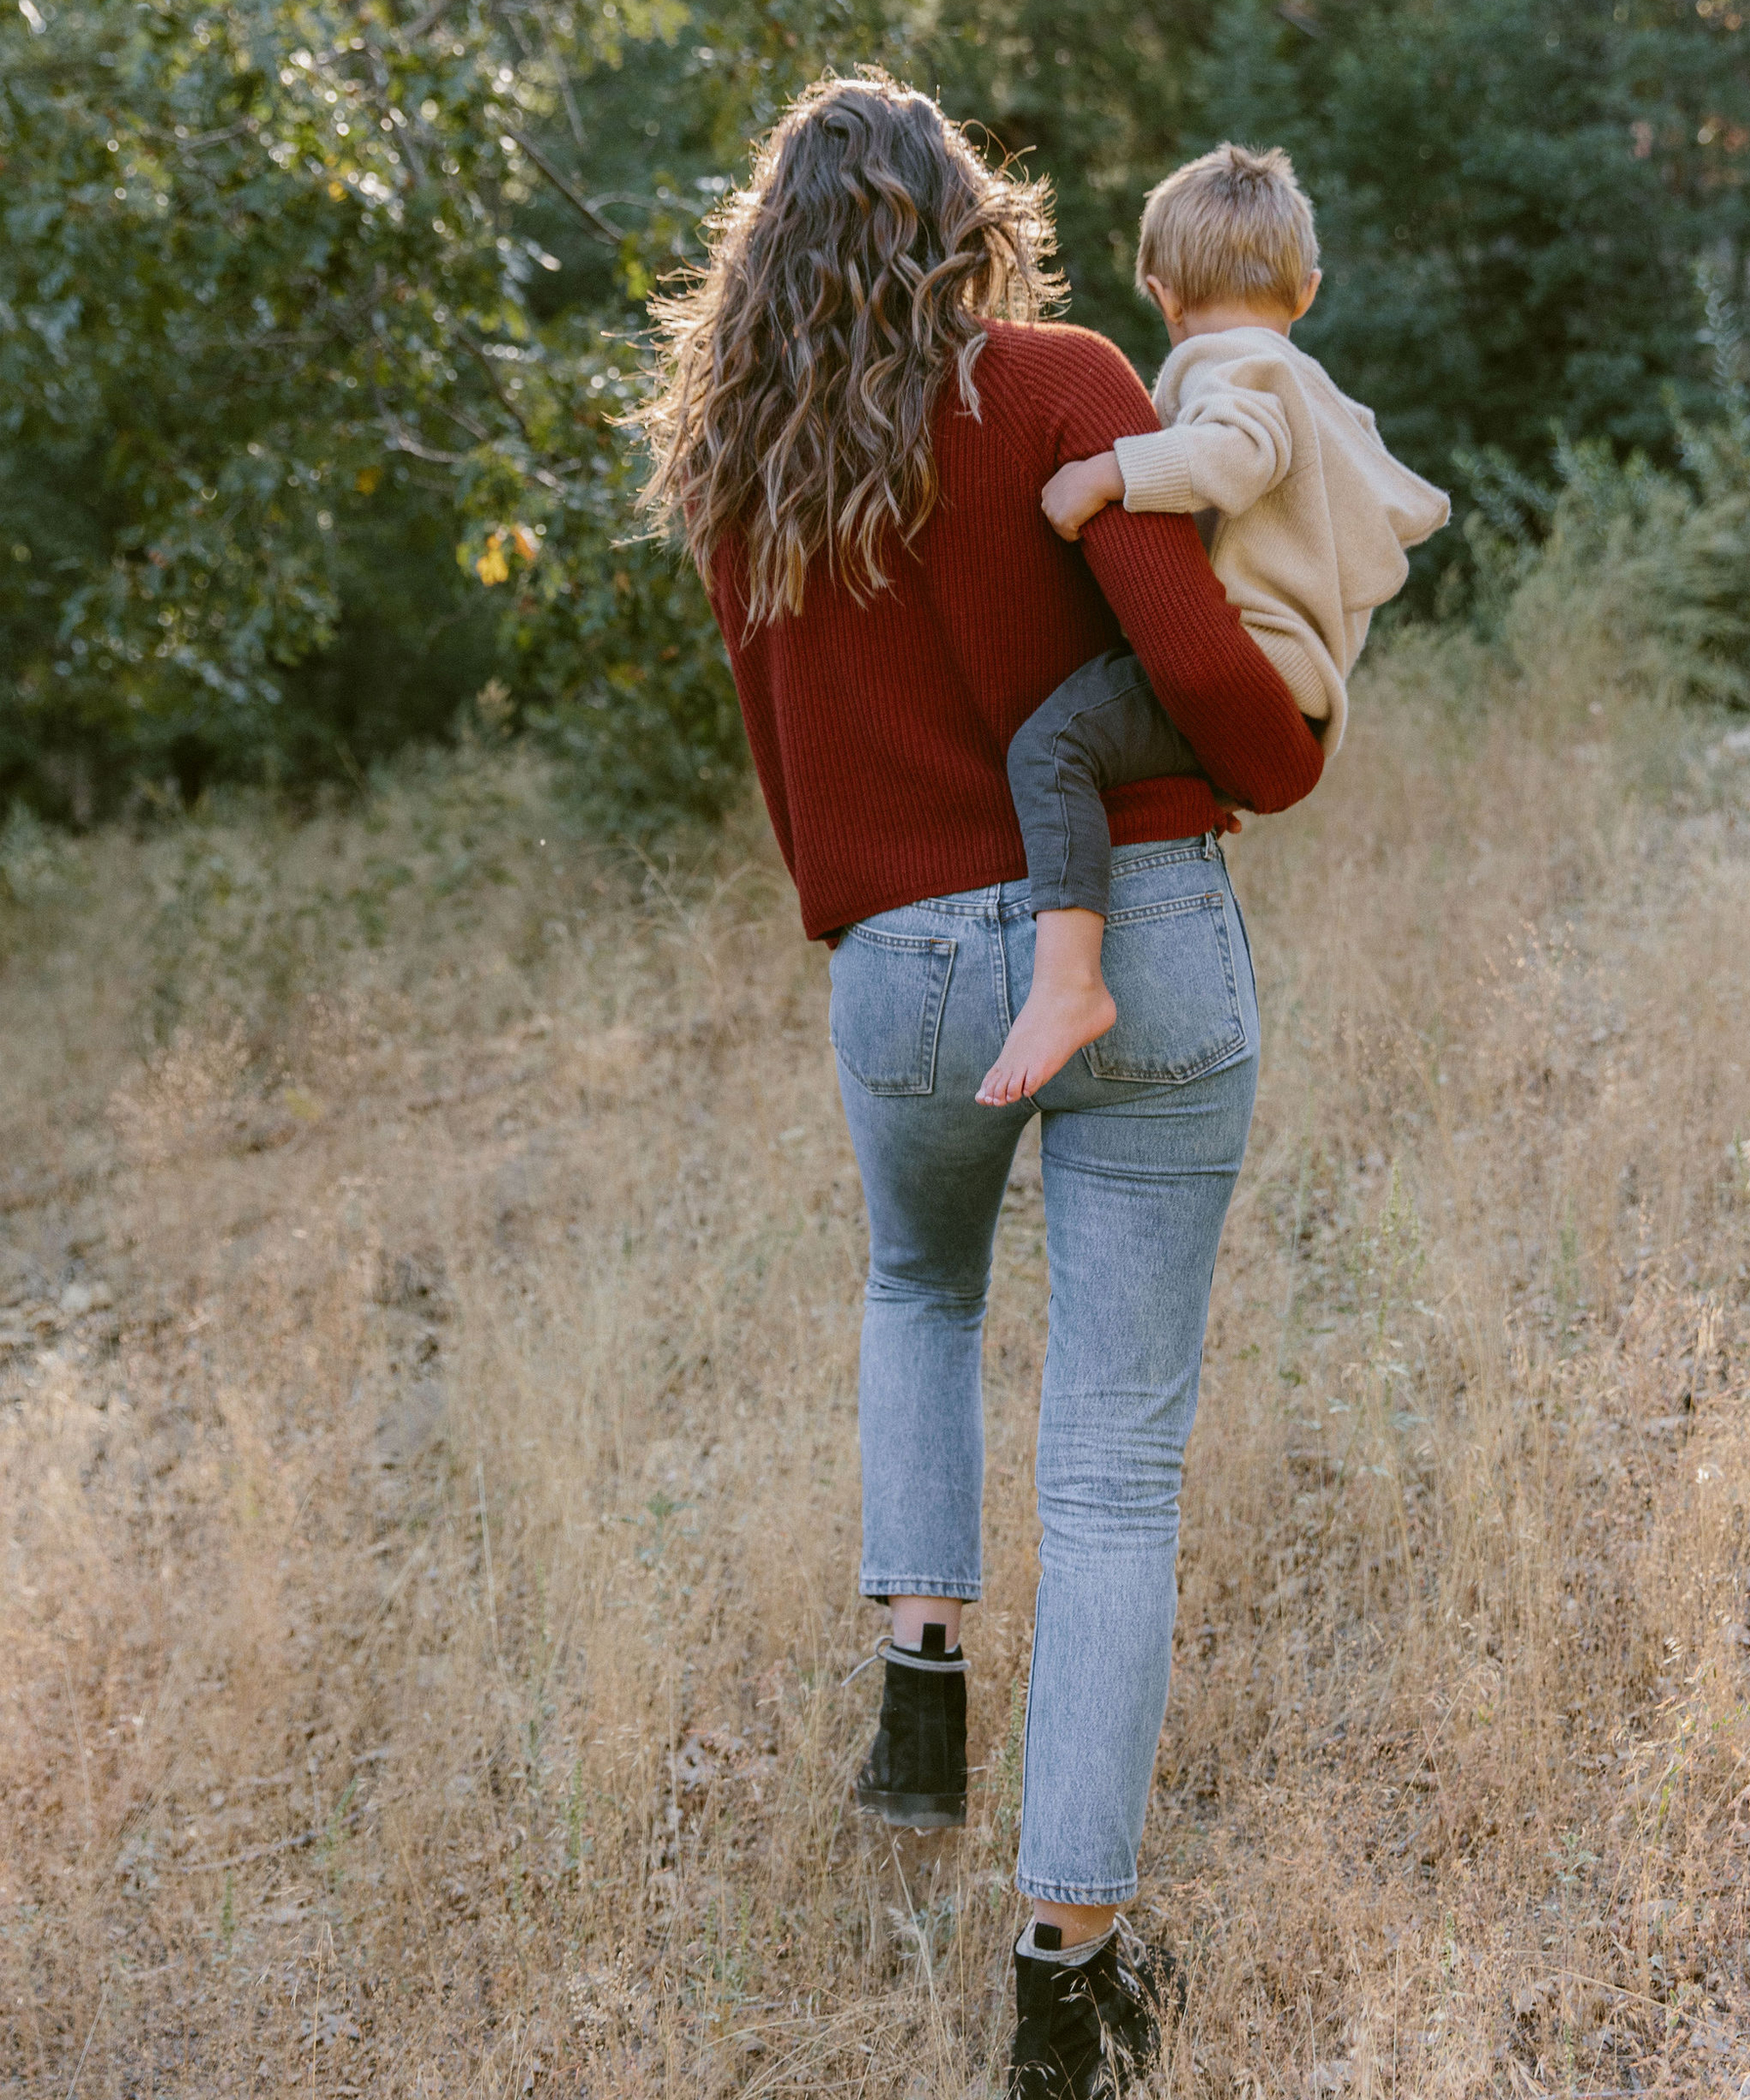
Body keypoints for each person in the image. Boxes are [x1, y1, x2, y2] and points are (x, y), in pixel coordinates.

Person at [642, 72, 1325, 2099]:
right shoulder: (1052, 378)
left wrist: (865, 925)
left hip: (897, 962)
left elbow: (788, 753)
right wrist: (1278, 758)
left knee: (916, 1288)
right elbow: (1181, 640)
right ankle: (1065, 1969)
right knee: (1110, 1473)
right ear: (969, 218)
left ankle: (918, 1663)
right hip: (1134, 926)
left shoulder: (738, 456)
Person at [976, 144, 1449, 1109]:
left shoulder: (1227, 363)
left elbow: (1234, 456)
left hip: (1251, 661)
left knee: (1051, 746)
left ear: (1159, 293)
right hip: (1295, 677)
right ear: (1305, 290)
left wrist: (1106, 474)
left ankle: (1068, 981)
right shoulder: (1299, 373)